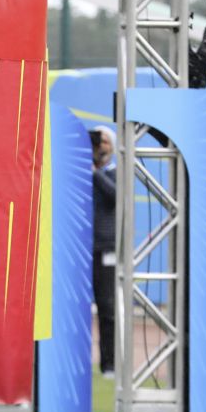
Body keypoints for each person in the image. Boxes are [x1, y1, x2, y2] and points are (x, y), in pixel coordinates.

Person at [91, 126, 117, 379]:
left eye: (105, 141)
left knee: (107, 308)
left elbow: (115, 196)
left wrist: (95, 173)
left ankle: (109, 364)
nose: (101, 145)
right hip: (79, 249)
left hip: (106, 248)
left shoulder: (115, 172)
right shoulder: (79, 172)